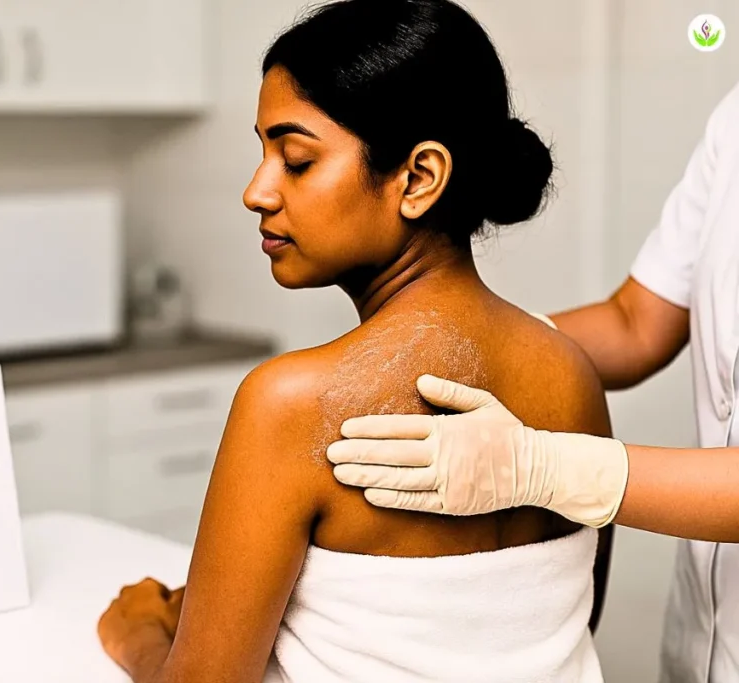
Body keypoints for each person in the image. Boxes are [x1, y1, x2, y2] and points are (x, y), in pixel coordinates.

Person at [96, 1, 614, 681]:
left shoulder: (291, 403)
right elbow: (552, 622)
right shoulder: (572, 373)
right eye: (263, 153)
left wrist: (138, 631)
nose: (257, 191)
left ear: (419, 178)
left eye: (297, 159)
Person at [326, 76, 739, 682]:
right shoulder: (733, 118)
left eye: (297, 160)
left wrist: (546, 468)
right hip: (704, 635)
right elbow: (634, 324)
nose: (258, 194)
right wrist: (491, 347)